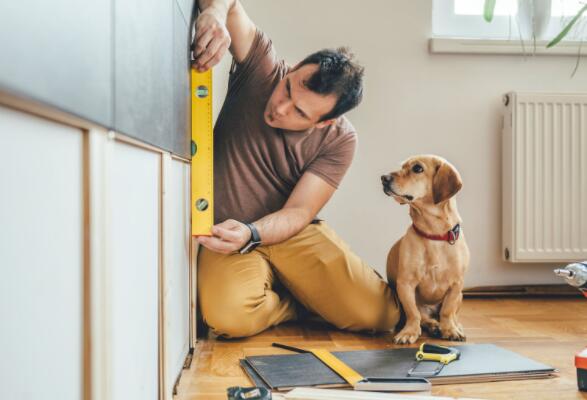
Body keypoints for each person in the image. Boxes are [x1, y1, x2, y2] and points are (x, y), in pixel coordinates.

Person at [193, 0, 401, 338]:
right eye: (288, 88)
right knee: (228, 319)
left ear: (324, 122)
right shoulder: (262, 69)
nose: (279, 108)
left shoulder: (340, 139)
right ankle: (297, 302)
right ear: (293, 69)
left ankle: (309, 293)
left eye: (300, 113)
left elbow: (300, 211)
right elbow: (228, 4)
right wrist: (214, 14)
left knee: (381, 315)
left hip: (290, 231)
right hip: (227, 233)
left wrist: (254, 232)